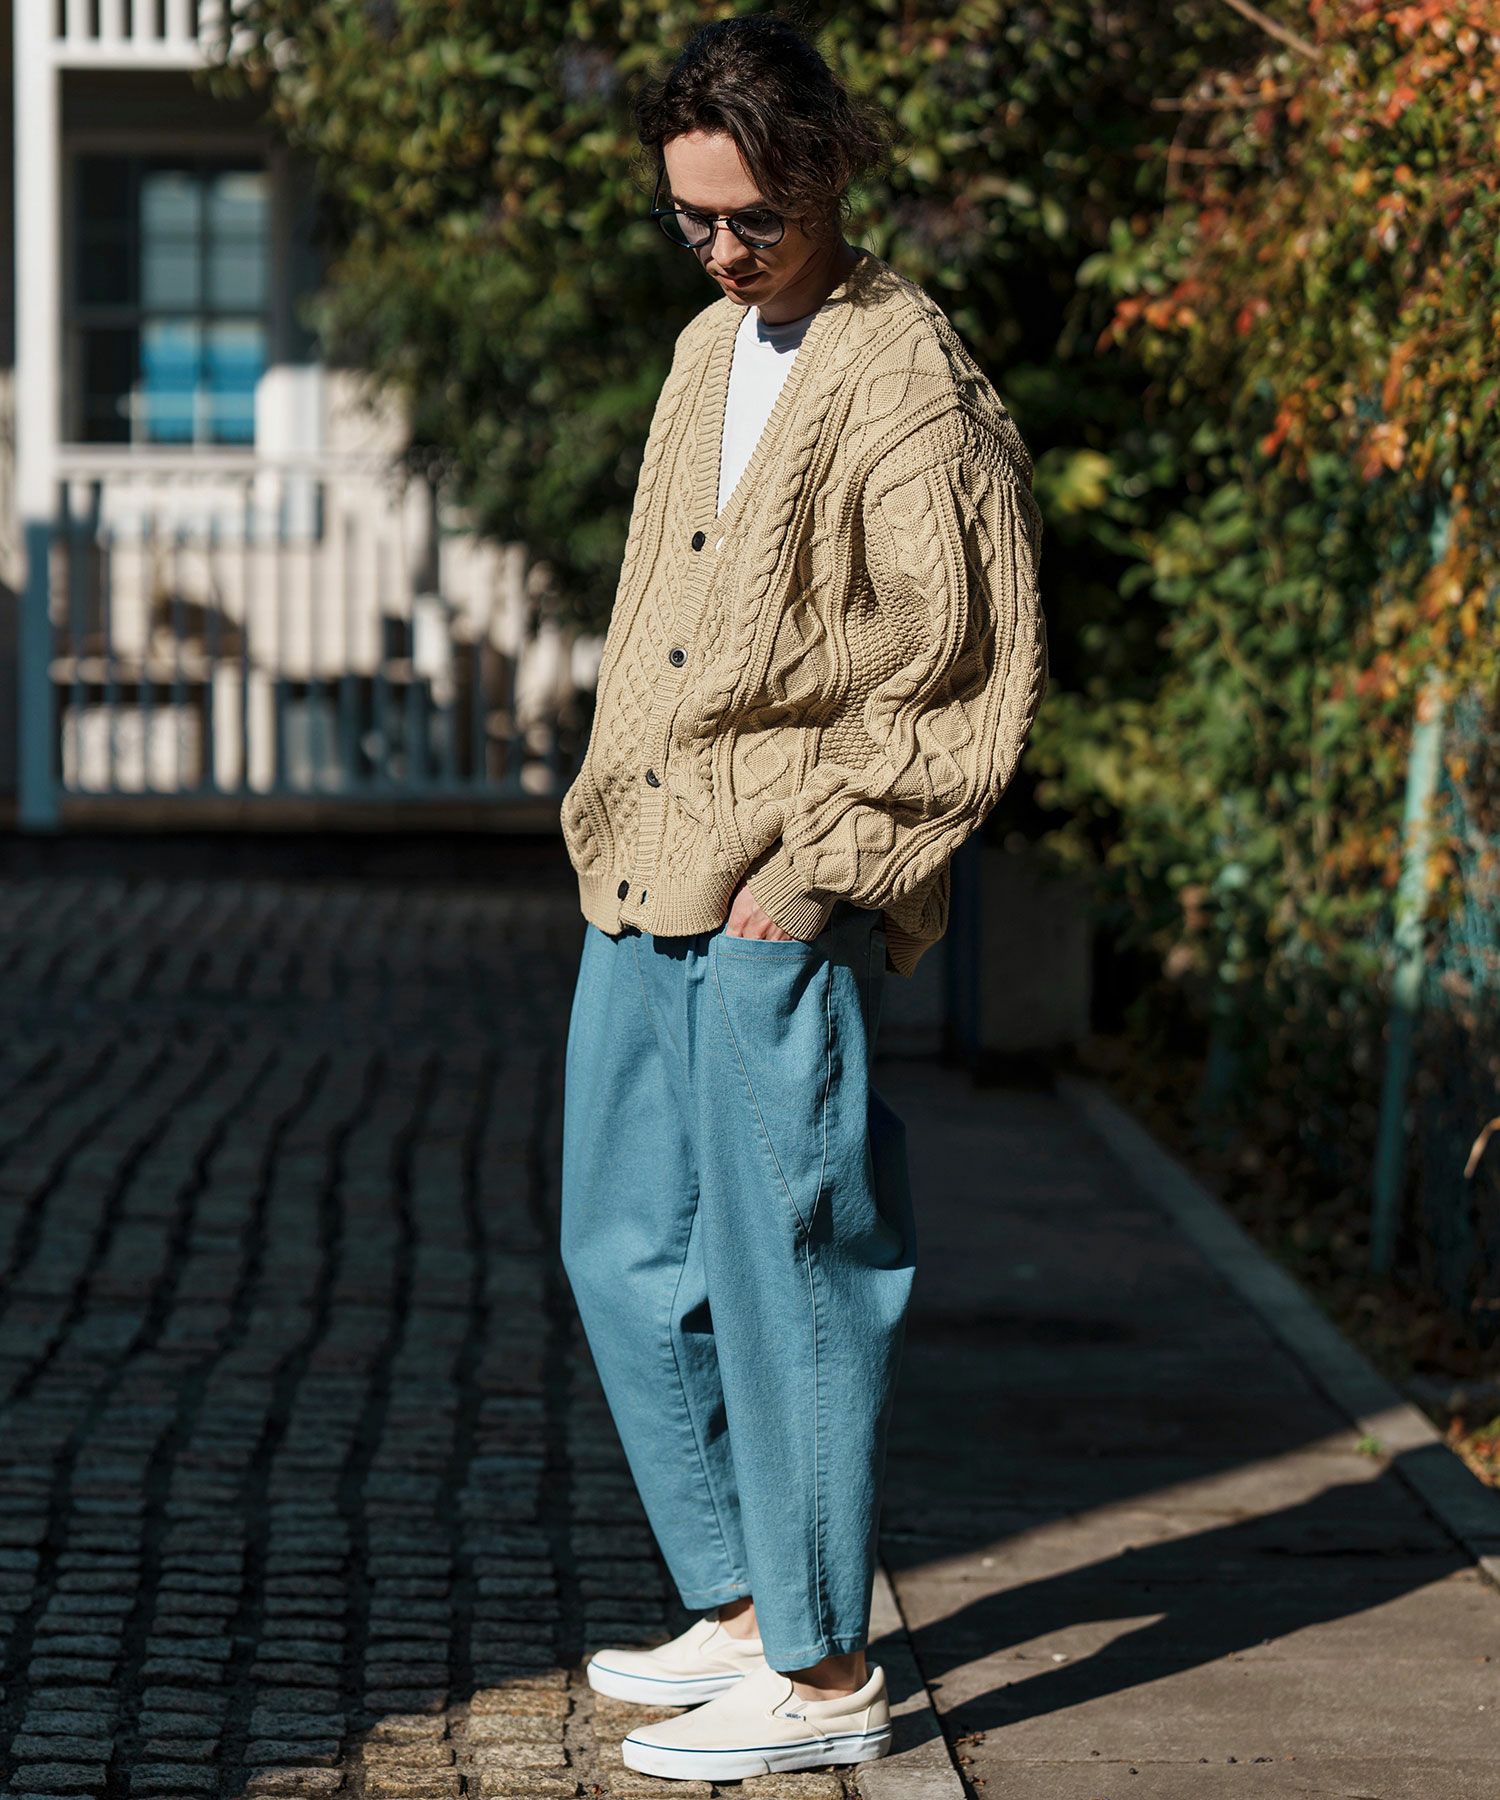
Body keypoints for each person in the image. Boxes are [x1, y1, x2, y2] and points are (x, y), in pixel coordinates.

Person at [557, 12, 1047, 1783]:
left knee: (794, 1270)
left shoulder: (907, 382)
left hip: (776, 884)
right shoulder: (711, 347)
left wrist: (820, 872)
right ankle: (748, 1604)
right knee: (622, 1248)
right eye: (691, 216)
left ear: (827, 173)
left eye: (750, 218)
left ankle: (829, 1672)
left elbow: (962, 664)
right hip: (644, 865)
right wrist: (607, 806)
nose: (719, 247)